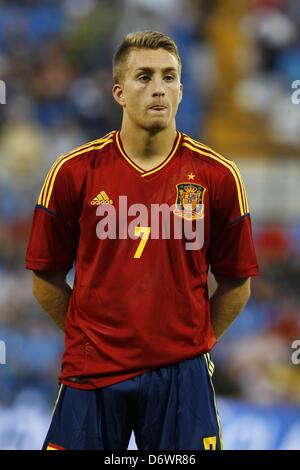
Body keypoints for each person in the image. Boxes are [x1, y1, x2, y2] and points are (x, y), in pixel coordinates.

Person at [25, 30, 259, 451]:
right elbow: (45, 279)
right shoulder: (73, 172)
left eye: (169, 77)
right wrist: (89, 337)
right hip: (92, 371)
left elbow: (238, 283)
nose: (159, 89)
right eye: (144, 76)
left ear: (182, 90)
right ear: (118, 91)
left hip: (182, 377)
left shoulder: (218, 176)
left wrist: (189, 341)